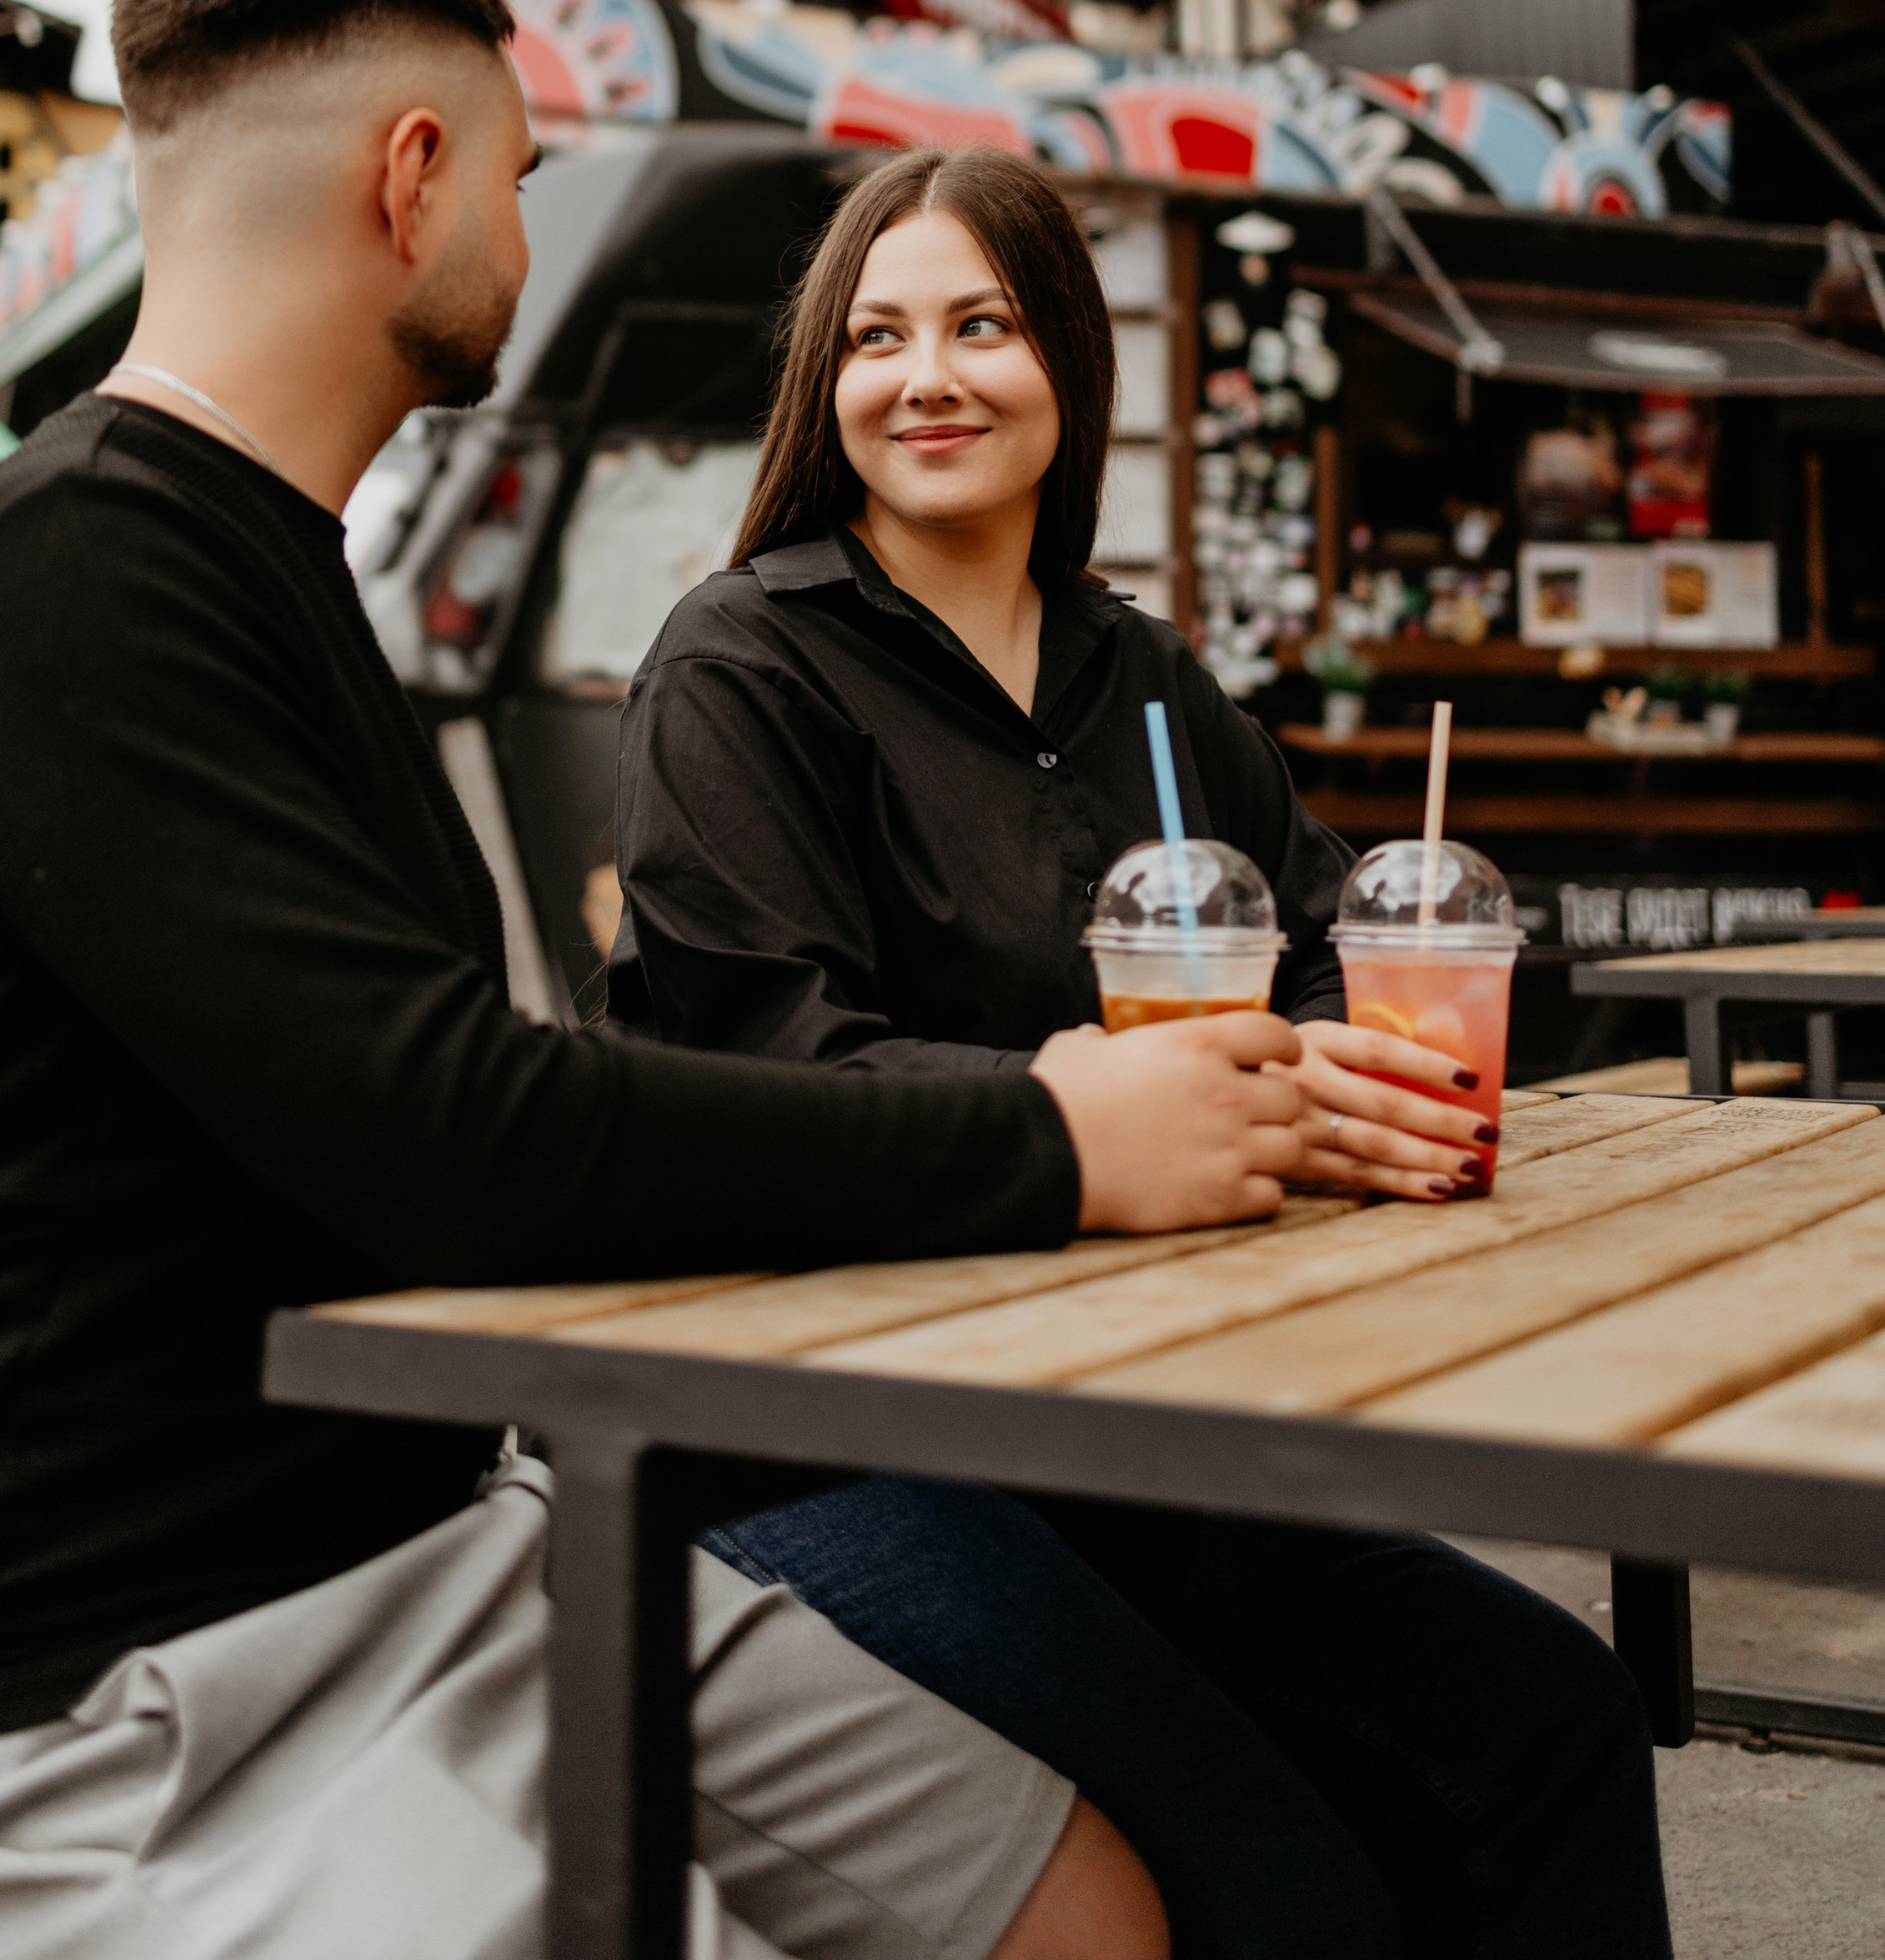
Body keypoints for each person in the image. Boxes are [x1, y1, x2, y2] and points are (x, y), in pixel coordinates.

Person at [0, 0, 1319, 1960]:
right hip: (78, 1705)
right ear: (414, 180)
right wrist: (1059, 1137)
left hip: (438, 1543)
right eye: (517, 173)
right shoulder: (65, 569)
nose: (521, 222)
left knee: (1085, 1911)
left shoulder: (274, 567)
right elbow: (458, 1136)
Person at [618, 146, 1673, 1960]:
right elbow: (757, 1055)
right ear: (823, 384)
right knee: (1272, 1886)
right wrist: (1092, 1109)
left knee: (1551, 1727)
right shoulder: (741, 664)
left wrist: (1339, 1064)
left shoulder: (1151, 683)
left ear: (1069, 370)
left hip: (1124, 1413)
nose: (924, 372)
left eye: (981, 323)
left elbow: (1338, 946)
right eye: (875, 335)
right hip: (821, 1426)